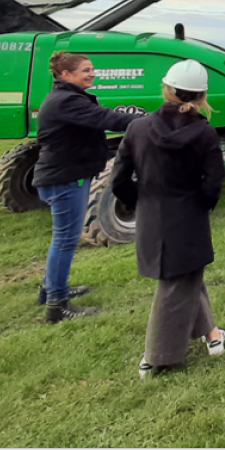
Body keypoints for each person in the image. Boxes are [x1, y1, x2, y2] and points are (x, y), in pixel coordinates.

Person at [111, 59, 225, 378]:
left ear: (167, 89)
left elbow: (119, 180)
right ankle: (158, 355)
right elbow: (214, 181)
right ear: (201, 97)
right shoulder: (204, 133)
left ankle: (212, 333)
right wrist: (200, 205)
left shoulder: (137, 128)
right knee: (175, 287)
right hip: (188, 218)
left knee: (187, 277)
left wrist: (143, 203)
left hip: (152, 218)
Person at [32, 51, 143, 323]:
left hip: (62, 176)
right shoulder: (67, 101)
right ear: (66, 75)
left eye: (92, 69)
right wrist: (152, 121)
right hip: (66, 179)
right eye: (85, 70)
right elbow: (109, 120)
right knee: (65, 240)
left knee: (63, 238)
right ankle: (58, 306)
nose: (92, 73)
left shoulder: (66, 98)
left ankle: (50, 289)